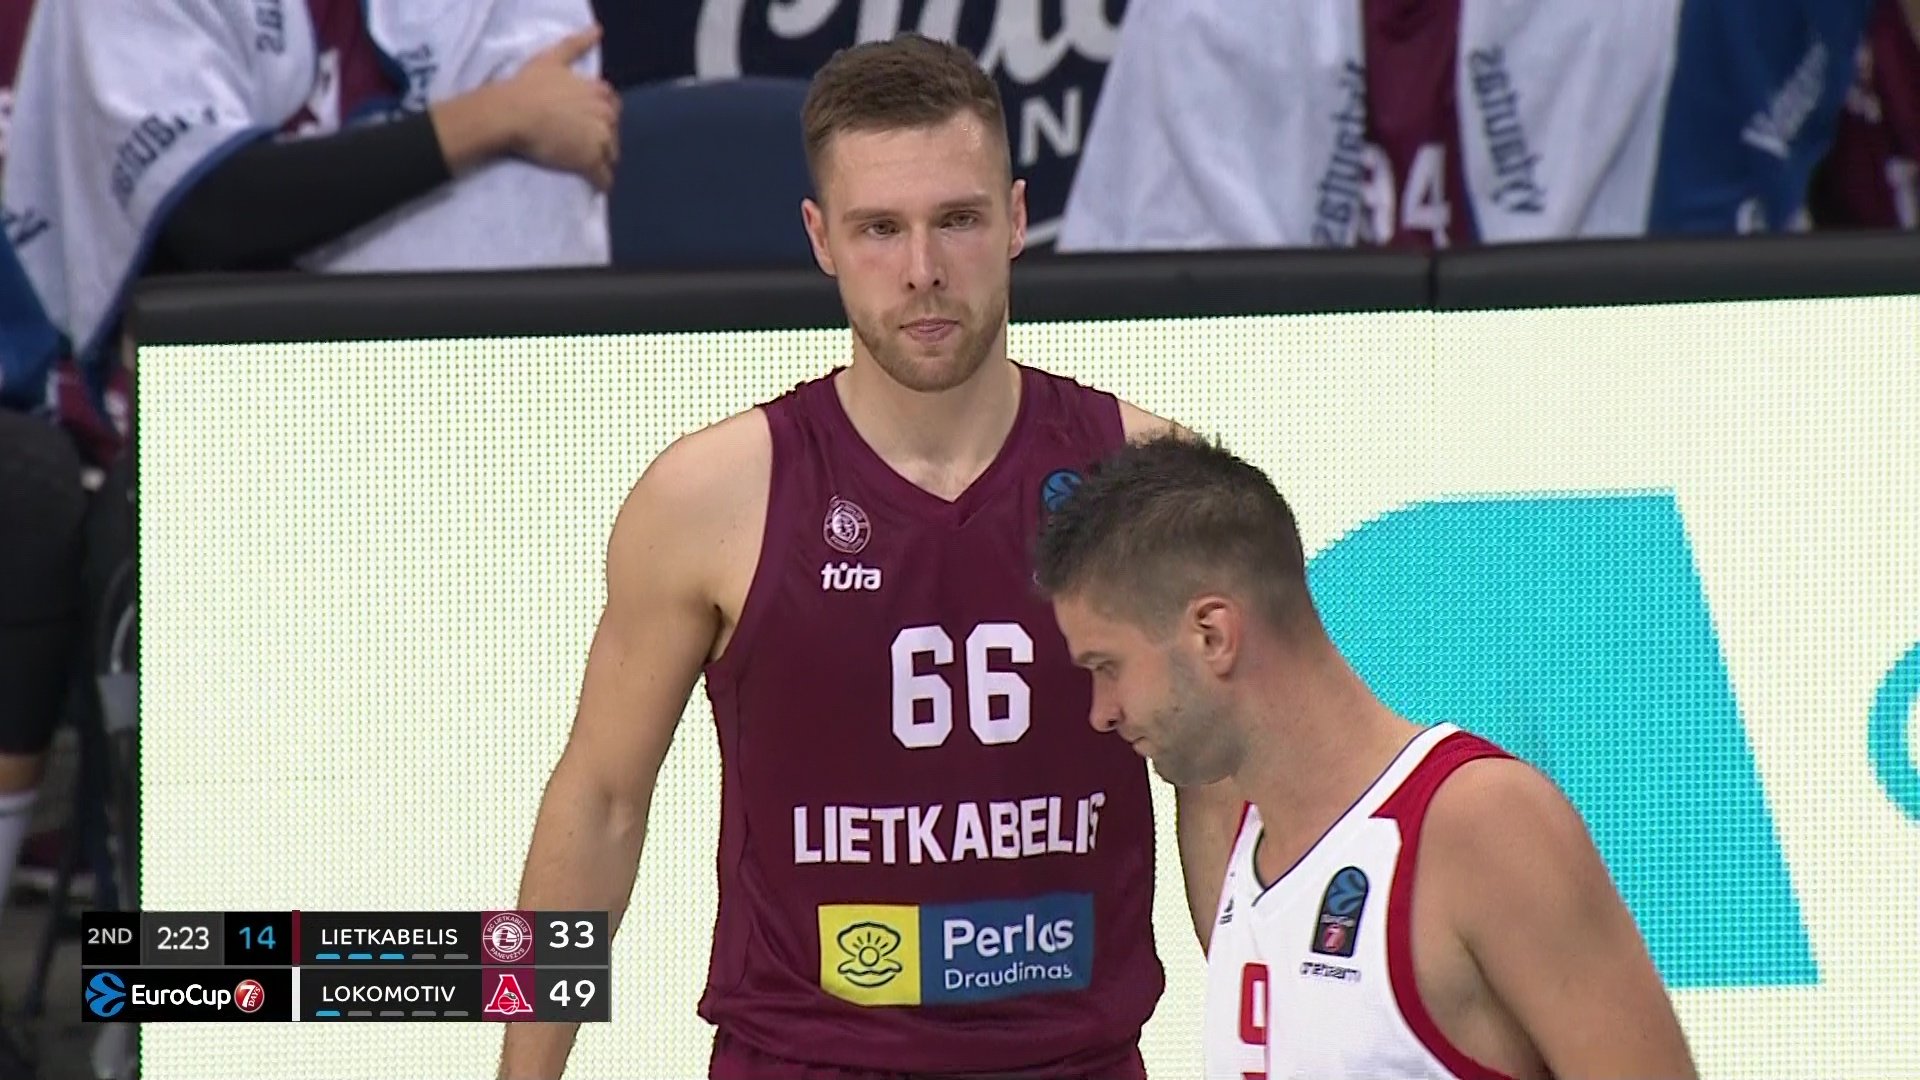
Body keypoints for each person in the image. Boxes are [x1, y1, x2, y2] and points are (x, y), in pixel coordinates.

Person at [497, 32, 1240, 1080]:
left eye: (958, 221)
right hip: (800, 1060)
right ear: (821, 238)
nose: (923, 270)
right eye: (880, 228)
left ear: (1017, 218)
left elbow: (1219, 795)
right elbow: (601, 804)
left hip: (1075, 1060)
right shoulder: (712, 498)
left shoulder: (1147, 483)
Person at [1031, 435, 1700, 1080]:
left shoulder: (1479, 824)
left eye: (1107, 666)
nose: (1101, 710)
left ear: (1213, 635)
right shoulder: (1241, 845)